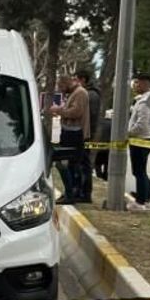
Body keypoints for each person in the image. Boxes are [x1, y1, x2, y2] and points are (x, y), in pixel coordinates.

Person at [50, 74, 89, 204]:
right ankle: (69, 192)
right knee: (67, 165)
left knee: (66, 164)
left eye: (61, 87)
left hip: (74, 133)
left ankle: (71, 193)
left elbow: (76, 112)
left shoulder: (80, 93)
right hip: (68, 131)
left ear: (66, 83)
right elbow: (69, 109)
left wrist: (59, 111)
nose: (61, 90)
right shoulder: (73, 93)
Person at [127, 73, 150, 206]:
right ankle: (145, 195)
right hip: (147, 138)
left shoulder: (145, 102)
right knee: (141, 170)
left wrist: (128, 133)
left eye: (138, 83)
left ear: (145, 83)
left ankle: (141, 200)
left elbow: (142, 124)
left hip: (140, 139)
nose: (135, 86)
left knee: (138, 171)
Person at [76, 69, 102, 202]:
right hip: (84, 133)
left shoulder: (90, 95)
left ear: (82, 80)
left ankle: (84, 194)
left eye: (76, 80)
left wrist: (84, 133)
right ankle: (80, 192)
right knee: (80, 163)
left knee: (84, 165)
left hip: (85, 134)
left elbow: (89, 116)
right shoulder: (87, 93)